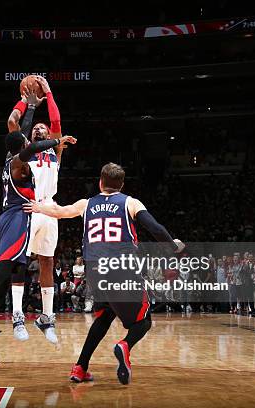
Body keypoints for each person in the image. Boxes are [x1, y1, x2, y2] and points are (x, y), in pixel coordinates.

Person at [25, 162, 184, 385]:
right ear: (122, 184)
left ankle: (80, 367)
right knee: (143, 322)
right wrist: (173, 246)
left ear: (100, 182)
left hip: (96, 273)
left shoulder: (87, 204)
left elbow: (60, 212)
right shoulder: (130, 202)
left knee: (104, 316)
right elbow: (155, 228)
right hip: (122, 269)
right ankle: (125, 345)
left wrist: (38, 207)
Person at [0, 130, 76, 365]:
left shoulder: (9, 161)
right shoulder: (17, 160)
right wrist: (57, 142)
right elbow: (30, 149)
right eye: (26, 140)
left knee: (8, 271)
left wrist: (30, 106)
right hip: (16, 216)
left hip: (6, 217)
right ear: (22, 144)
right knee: (6, 267)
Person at [7, 76, 65, 343]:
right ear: (29, 137)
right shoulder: (23, 153)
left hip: (50, 207)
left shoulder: (55, 151)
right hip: (29, 206)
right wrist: (28, 101)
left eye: (44, 129)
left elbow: (56, 123)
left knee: (47, 261)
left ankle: (46, 317)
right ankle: (18, 315)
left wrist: (50, 93)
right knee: (20, 261)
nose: (41, 130)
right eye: (36, 129)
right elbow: (14, 123)